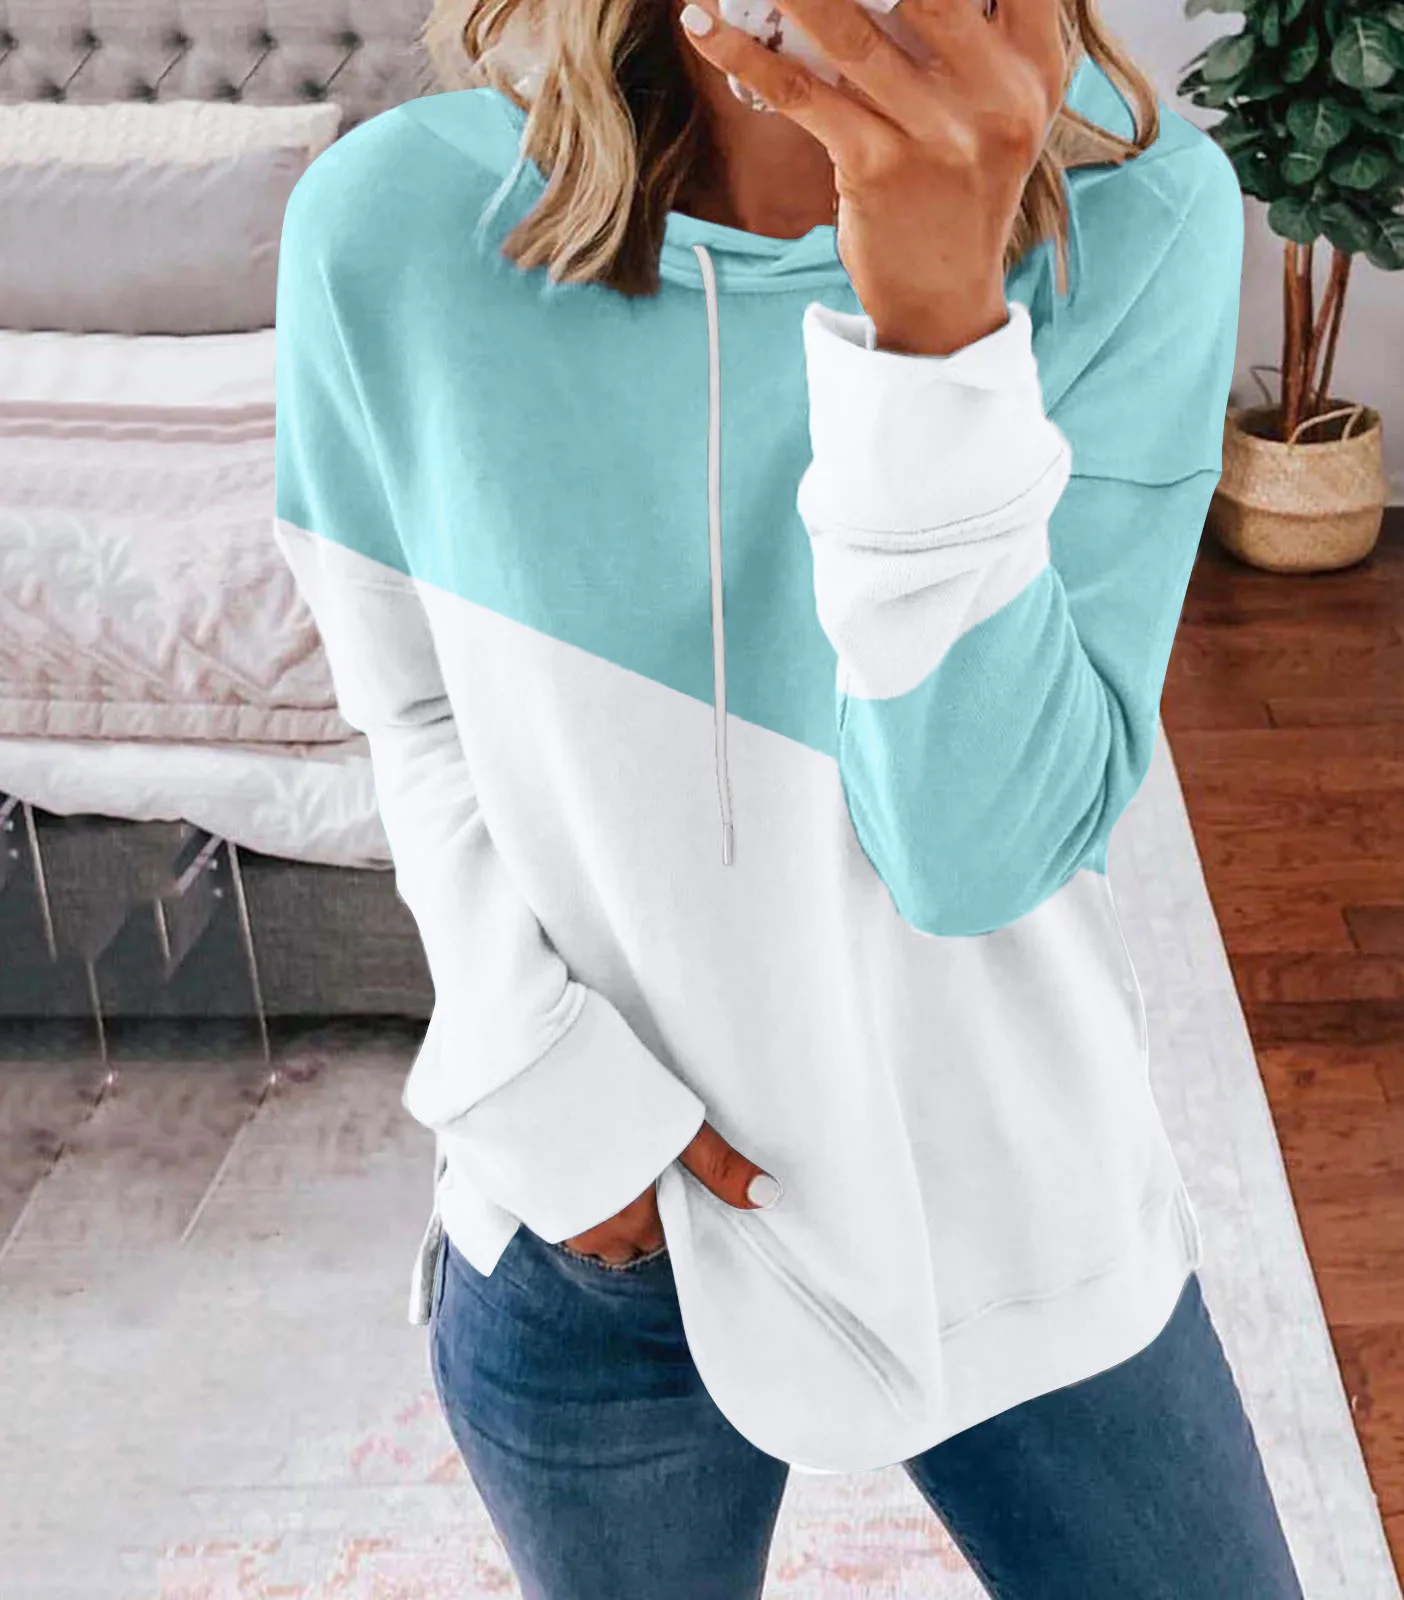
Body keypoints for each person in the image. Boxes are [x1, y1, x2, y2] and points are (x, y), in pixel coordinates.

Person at [272, 0, 1302, 1592]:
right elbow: (412, 708)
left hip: (1015, 1208)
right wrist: (553, 1099)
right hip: (602, 1234)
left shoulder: (1141, 224)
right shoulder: (391, 224)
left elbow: (973, 856)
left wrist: (940, 341)